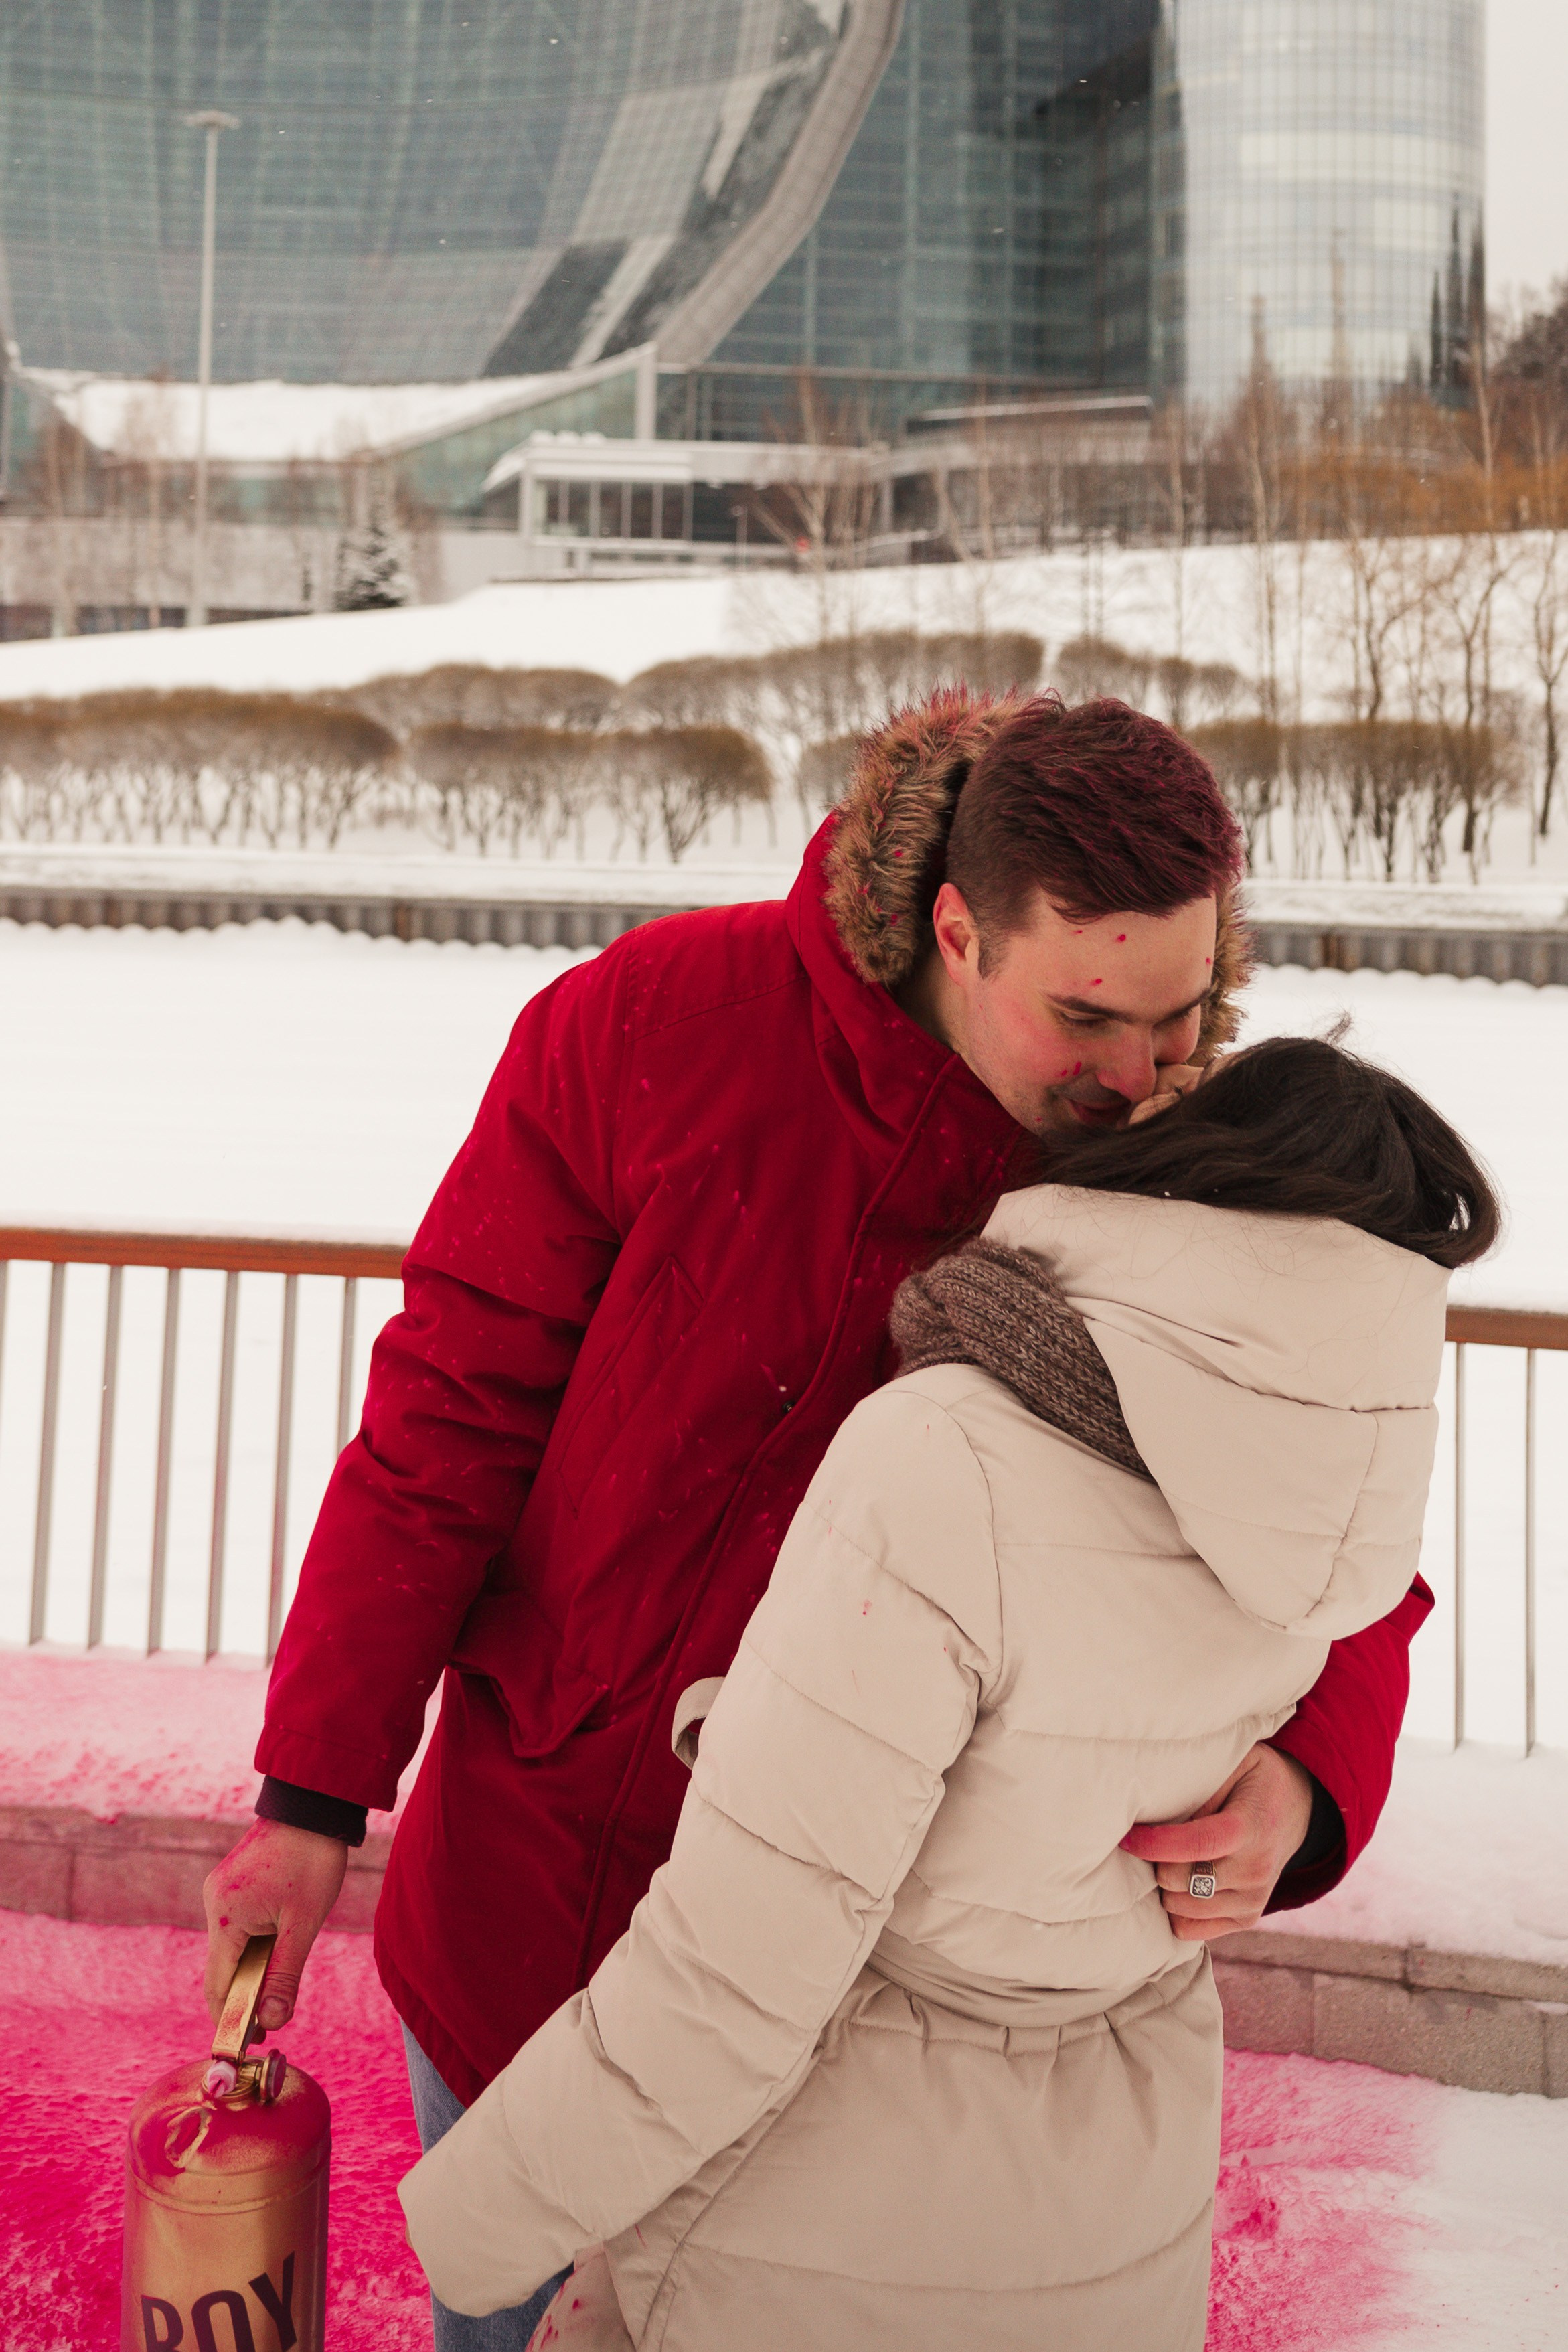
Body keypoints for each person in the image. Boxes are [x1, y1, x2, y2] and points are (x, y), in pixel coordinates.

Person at [203, 689, 1431, 2347]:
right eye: (1087, 1014)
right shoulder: (649, 1020)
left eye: (1184, 1010)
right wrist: (310, 1787)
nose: (1141, 1074)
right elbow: (447, 1419)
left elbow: (1329, 1496)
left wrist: (1306, 1777)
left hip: (861, 2059)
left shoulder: (1186, 1155)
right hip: (536, 1912)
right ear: (953, 925)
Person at [400, 1034, 1498, 2349]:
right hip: (1104, 2216)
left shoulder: (946, 1458)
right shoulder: (1326, 1496)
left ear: (1185, 1177)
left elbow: (736, 1972)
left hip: (828, 2220)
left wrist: (473, 2225)